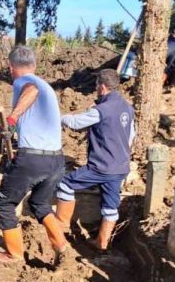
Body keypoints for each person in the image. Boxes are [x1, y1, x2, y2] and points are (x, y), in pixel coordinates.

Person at [0, 45, 69, 265]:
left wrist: (12, 118)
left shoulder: (24, 81)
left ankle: (14, 255)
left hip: (34, 159)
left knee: (5, 204)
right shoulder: (47, 87)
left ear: (10, 67)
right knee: (40, 204)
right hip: (56, 160)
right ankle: (62, 246)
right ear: (34, 65)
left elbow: (30, 90)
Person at [55, 69, 135, 251]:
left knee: (66, 184)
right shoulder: (127, 108)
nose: (96, 88)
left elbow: (76, 123)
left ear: (103, 87)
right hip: (120, 166)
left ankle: (61, 230)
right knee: (110, 206)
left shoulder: (102, 110)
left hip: (101, 167)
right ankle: (102, 242)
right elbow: (131, 136)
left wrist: (59, 118)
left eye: (97, 85)